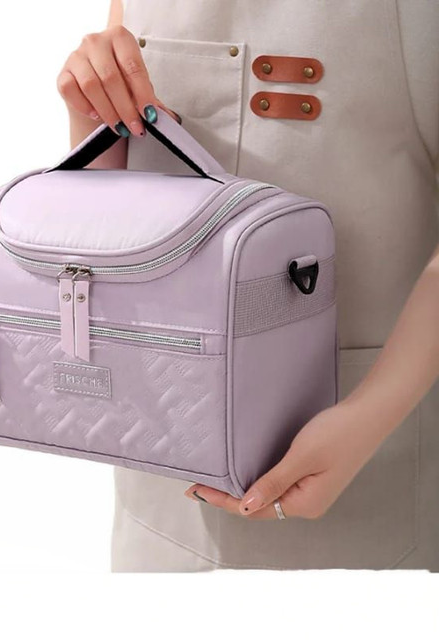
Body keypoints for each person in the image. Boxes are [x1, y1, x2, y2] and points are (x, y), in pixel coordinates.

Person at [57, 0, 439, 571]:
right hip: (157, 490)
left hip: (365, 490)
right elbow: (113, 215)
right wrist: (91, 114)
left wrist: (370, 416)